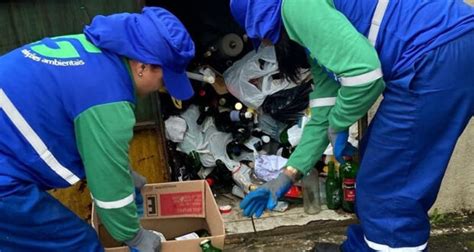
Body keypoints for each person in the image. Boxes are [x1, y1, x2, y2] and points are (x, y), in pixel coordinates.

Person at [230, 0, 474, 251]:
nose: (268, 46)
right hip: (447, 50)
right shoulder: (314, 32)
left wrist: (339, 122)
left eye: (266, 39)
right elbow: (324, 108)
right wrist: (287, 175)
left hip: (438, 57)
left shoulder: (294, 6)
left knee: (388, 188)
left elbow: (364, 75)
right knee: (377, 164)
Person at [0, 7, 195, 252]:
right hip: (4, 176)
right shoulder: (109, 99)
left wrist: (123, 172)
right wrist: (134, 237)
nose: (160, 88)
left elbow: (80, 134)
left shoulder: (90, 51)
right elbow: (109, 189)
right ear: (144, 66)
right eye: (164, 80)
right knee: (81, 245)